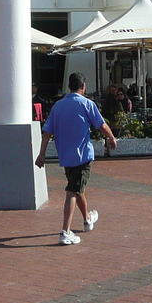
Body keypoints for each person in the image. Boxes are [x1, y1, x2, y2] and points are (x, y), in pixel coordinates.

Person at [36, 73, 117, 245]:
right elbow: (101, 125)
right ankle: (65, 231)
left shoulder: (58, 106)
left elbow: (47, 132)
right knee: (72, 191)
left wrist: (41, 153)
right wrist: (111, 137)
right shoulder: (87, 104)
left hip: (66, 156)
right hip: (82, 156)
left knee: (77, 187)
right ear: (83, 86)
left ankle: (87, 218)